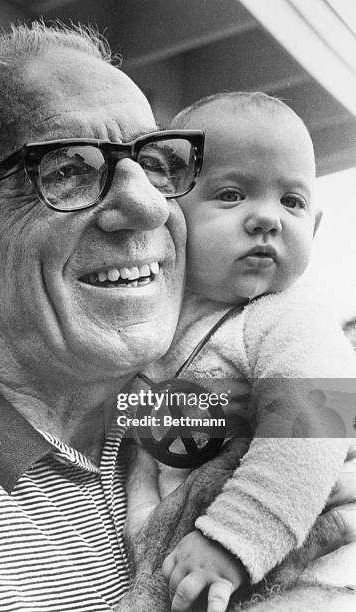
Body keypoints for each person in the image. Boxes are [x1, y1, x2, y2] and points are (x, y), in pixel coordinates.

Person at [0, 23, 355, 612]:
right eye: (66, 170)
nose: (147, 206)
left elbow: (323, 418)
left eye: (156, 165)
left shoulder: (181, 385)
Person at [135, 92, 356, 611]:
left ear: (315, 228)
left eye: (292, 202)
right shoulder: (161, 319)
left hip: (300, 569)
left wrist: (234, 536)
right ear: (170, 215)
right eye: (232, 195)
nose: (267, 219)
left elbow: (316, 420)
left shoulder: (289, 317)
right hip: (195, 564)